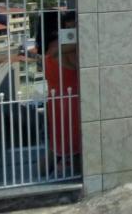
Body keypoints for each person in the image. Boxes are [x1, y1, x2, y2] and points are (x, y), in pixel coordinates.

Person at [36, 11, 81, 176]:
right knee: (76, 147)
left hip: (56, 102)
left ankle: (41, 175)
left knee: (57, 147)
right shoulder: (63, 48)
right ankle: (77, 178)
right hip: (71, 103)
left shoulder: (47, 49)